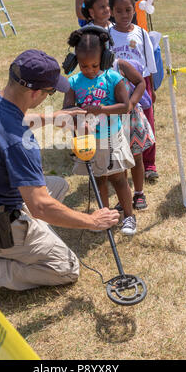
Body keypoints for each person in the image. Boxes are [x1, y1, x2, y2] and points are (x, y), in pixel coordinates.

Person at [0, 50, 120, 292]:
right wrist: (92, 221)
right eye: (50, 92)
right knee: (66, 267)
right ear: (34, 93)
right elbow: (41, 206)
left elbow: (11, 119)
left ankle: (17, 243)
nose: (50, 96)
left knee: (59, 186)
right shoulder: (18, 142)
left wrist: (53, 118)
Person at [63, 27, 138, 236]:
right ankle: (104, 217)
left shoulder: (113, 77)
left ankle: (129, 216)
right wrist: (76, 114)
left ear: (105, 58)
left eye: (95, 65)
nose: (89, 70)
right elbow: (66, 108)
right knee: (98, 180)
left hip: (111, 138)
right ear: (75, 60)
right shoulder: (74, 82)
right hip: (90, 141)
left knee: (118, 178)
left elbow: (125, 106)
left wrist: (102, 109)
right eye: (84, 65)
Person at [108, 0, 159, 182]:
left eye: (128, 10)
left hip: (141, 85)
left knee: (147, 125)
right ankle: (123, 162)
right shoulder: (108, 35)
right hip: (118, 86)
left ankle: (149, 164)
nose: (124, 15)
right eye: (119, 11)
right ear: (112, 11)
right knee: (122, 126)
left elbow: (149, 64)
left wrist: (151, 88)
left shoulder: (141, 33)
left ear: (134, 9)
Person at [112, 58, 155, 210]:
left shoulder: (120, 65)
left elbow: (140, 82)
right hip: (111, 121)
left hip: (131, 118)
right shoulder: (92, 69)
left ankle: (139, 193)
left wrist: (131, 104)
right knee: (119, 161)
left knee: (136, 158)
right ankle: (124, 197)